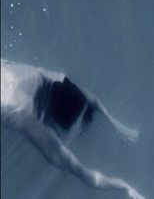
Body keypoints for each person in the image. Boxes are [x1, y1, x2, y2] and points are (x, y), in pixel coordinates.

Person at [1, 59, 145, 199]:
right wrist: (114, 122)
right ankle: (124, 187)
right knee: (74, 166)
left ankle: (124, 187)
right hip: (27, 95)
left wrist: (114, 122)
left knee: (75, 168)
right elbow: (86, 95)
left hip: (23, 105)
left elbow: (82, 172)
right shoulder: (36, 76)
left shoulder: (29, 116)